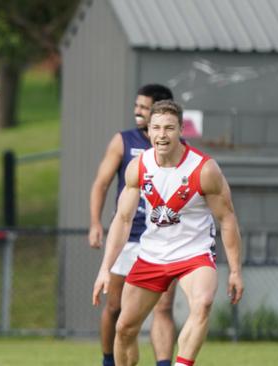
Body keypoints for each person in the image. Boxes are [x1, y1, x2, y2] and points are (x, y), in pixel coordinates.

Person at [92, 100, 244, 366]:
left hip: (193, 254)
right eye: (157, 128)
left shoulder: (204, 169)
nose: (162, 135)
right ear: (148, 131)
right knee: (124, 329)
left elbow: (227, 219)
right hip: (152, 254)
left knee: (204, 302)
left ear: (180, 131)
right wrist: (105, 268)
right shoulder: (138, 167)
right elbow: (123, 219)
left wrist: (234, 270)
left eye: (169, 128)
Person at [88, 84, 177, 366]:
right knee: (114, 307)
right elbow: (101, 184)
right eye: (136, 106)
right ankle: (108, 361)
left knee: (162, 308)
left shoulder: (180, 151)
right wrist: (95, 223)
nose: (137, 111)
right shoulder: (123, 141)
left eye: (144, 107)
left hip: (163, 240)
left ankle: (163, 363)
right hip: (127, 238)